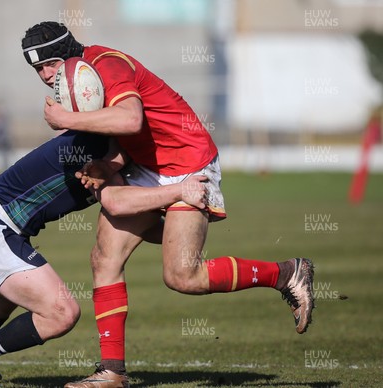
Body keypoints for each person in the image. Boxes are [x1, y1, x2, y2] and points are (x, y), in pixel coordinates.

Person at [21, 21, 315, 388]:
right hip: (148, 168)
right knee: (104, 258)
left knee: (182, 276)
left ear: (67, 53)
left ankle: (286, 273)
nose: (46, 75)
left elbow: (131, 118)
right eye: (37, 69)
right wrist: (106, 165)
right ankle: (112, 372)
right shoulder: (81, 82)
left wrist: (66, 120)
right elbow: (127, 140)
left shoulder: (106, 64)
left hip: (189, 165)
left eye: (49, 63)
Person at [0, 130, 208, 387]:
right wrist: (181, 191)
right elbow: (117, 202)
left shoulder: (111, 155)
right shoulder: (95, 150)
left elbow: (141, 227)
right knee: (61, 313)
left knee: (5, 298)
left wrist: (183, 236)